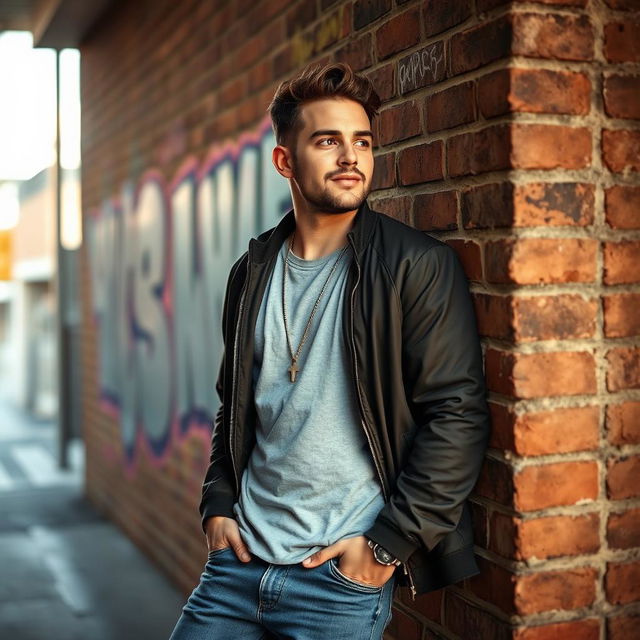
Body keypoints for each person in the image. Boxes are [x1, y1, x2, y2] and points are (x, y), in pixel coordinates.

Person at [169, 62, 490, 640]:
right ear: (284, 161)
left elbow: (456, 416)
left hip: (336, 583)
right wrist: (218, 503)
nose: (351, 157)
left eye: (362, 141)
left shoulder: (413, 266)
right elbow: (233, 407)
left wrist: (386, 548)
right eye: (328, 141)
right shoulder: (252, 273)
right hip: (236, 569)